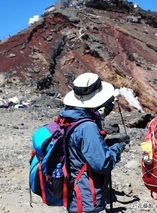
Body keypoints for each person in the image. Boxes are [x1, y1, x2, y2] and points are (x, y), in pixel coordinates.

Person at [60, 72, 126, 213]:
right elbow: (102, 164)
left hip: (75, 189)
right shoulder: (87, 127)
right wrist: (116, 148)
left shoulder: (69, 117)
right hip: (87, 197)